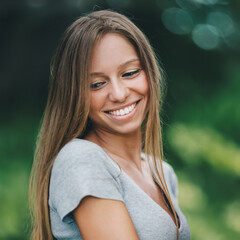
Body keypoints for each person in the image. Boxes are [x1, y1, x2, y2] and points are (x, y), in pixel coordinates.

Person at [29, 10, 190, 240]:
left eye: (130, 73)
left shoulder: (162, 171)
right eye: (96, 84)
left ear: (149, 72)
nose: (118, 93)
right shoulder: (82, 159)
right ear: (75, 95)